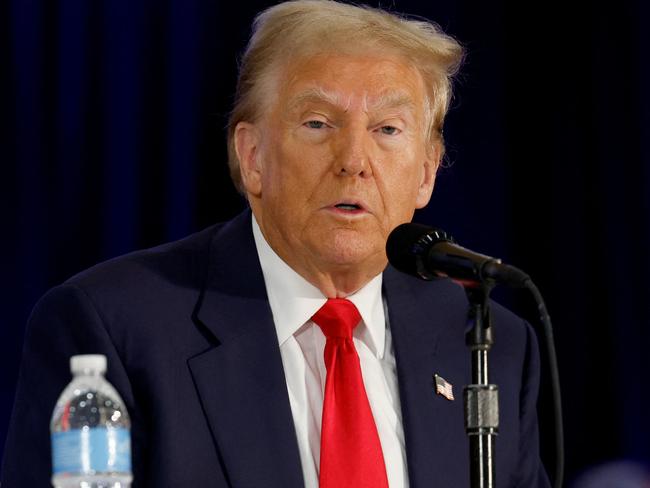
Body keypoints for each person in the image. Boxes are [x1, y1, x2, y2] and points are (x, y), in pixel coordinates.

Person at [1, 1, 550, 487]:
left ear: (426, 172)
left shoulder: (488, 346)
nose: (354, 161)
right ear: (253, 156)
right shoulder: (112, 327)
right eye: (317, 123)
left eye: (388, 129)